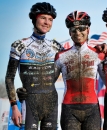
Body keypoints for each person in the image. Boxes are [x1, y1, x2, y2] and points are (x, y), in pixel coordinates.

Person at [5, 2, 64, 130]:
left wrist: (99, 48)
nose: (47, 22)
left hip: (51, 102)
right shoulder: (19, 45)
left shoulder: (57, 47)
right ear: (34, 19)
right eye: (43, 18)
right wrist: (14, 106)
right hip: (29, 102)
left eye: (50, 19)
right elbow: (9, 77)